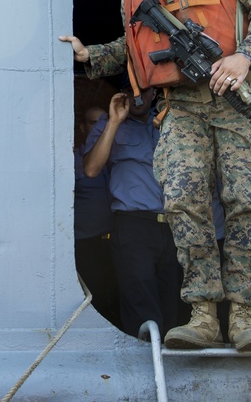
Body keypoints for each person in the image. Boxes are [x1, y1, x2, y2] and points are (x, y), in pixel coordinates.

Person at [61, 0, 251, 351]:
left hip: (234, 97)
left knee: (244, 198)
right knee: (182, 199)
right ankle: (202, 314)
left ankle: (243, 315)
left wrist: (245, 57)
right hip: (179, 105)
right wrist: (91, 55)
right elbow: (134, 46)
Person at [82, 87, 182, 339]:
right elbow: (92, 168)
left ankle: (174, 369)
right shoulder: (109, 123)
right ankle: (145, 366)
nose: (138, 97)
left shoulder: (173, 121)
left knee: (178, 301)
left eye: (144, 91)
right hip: (133, 224)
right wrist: (115, 120)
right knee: (139, 299)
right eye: (131, 91)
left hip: (176, 225)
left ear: (154, 94)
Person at [73, 105, 121, 328]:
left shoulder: (118, 157)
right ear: (83, 127)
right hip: (88, 245)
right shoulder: (71, 160)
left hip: (117, 242)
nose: (100, 126)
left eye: (105, 120)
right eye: (94, 122)